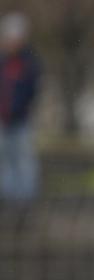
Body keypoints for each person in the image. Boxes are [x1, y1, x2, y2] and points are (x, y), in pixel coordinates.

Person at [0, 12, 40, 205]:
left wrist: (18, 110)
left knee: (23, 161)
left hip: (20, 120)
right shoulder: (3, 62)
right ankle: (7, 199)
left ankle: (24, 201)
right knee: (5, 161)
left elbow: (30, 91)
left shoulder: (29, 63)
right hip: (3, 120)